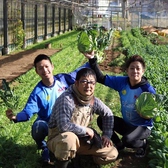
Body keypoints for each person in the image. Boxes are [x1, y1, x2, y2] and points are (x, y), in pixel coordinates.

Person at [5, 54, 90, 164]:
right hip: (49, 122)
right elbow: (28, 111)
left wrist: (92, 60)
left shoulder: (63, 79)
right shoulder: (38, 93)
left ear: (52, 66)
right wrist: (15, 117)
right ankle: (43, 145)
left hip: (67, 120)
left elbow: (79, 72)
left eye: (46, 66)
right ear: (36, 72)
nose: (44, 70)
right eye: (40, 68)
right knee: (38, 127)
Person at [83, 51, 156, 158]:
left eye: (138, 68)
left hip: (143, 126)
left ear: (143, 71)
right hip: (128, 124)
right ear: (127, 70)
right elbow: (101, 78)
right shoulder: (123, 82)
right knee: (102, 120)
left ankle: (143, 144)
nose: (135, 71)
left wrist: (146, 114)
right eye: (132, 68)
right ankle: (119, 144)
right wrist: (92, 59)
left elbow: (153, 113)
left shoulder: (147, 90)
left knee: (128, 140)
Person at [47, 68, 118, 168]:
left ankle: (84, 158)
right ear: (76, 83)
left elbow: (108, 114)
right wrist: (86, 130)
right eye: (84, 81)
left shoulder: (93, 101)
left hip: (81, 140)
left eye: (92, 82)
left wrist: (107, 134)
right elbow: (64, 126)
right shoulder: (67, 99)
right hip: (59, 140)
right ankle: (61, 163)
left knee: (112, 153)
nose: (88, 85)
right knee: (69, 139)